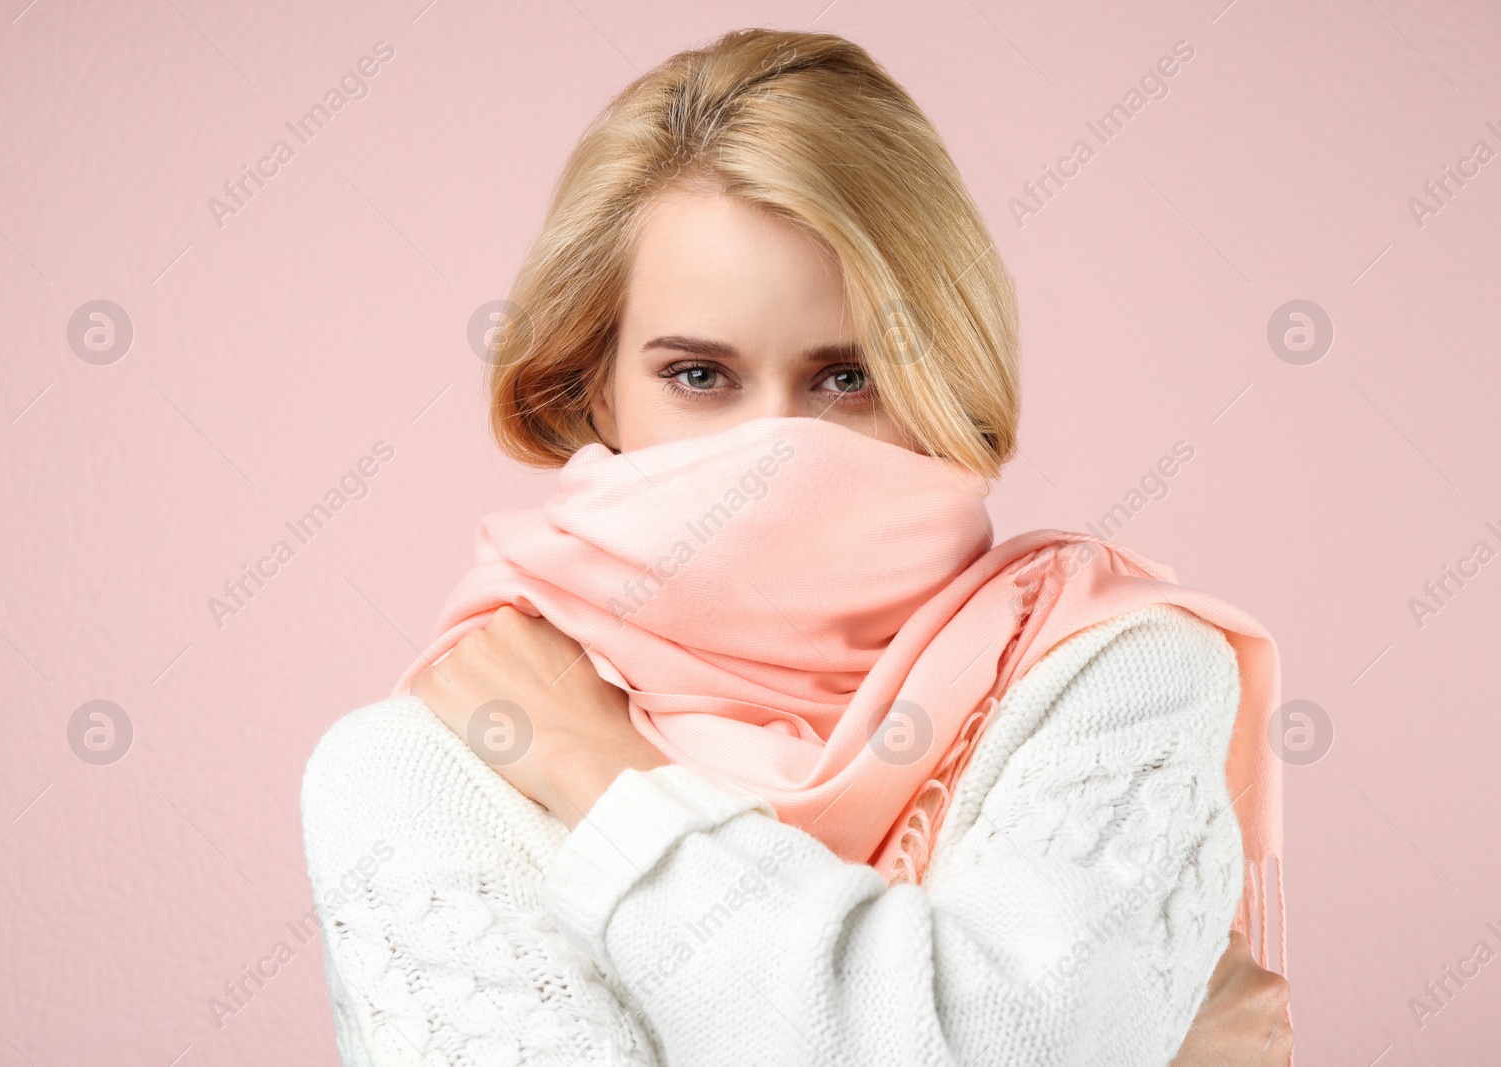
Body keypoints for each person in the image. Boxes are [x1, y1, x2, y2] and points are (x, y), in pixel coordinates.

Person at [301, 27, 1293, 1066]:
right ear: (591, 382)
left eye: (845, 377)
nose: (775, 447)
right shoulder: (418, 764)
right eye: (698, 375)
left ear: (943, 378)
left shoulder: (1111, 676)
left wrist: (605, 777)